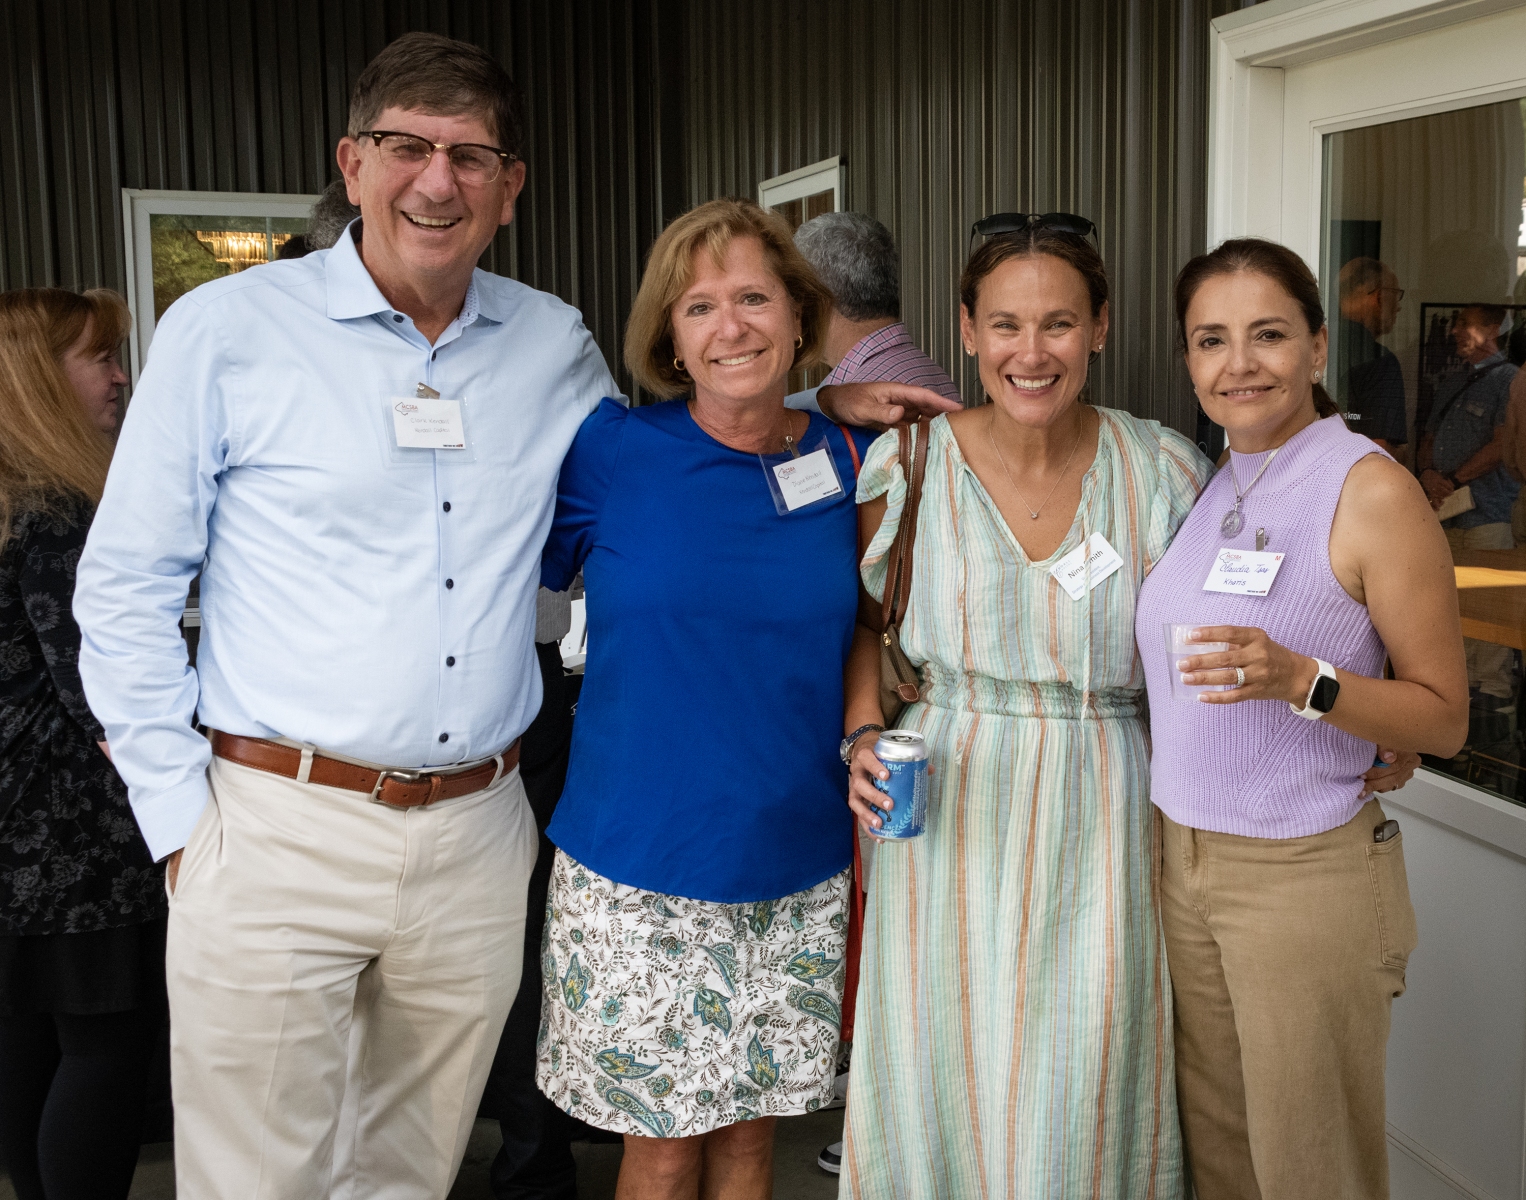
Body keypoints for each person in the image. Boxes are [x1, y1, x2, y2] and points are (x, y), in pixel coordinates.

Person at [73, 33, 618, 1199]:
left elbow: (662, 490)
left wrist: (823, 419)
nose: (438, 181)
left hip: (476, 833)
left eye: (472, 155)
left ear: (511, 188)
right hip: (270, 826)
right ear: (352, 161)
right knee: (255, 1179)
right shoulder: (226, 332)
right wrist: (180, 826)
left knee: (406, 1173)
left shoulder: (552, 344)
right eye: (407, 146)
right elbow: (122, 586)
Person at [534, 198, 954, 1200]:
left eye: (755, 298)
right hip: (640, 863)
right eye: (700, 306)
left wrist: (861, 729)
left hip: (793, 855)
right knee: (665, 1145)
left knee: (750, 1141)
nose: (732, 327)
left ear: (800, 319)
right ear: (669, 339)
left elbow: (863, 625)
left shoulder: (848, 458)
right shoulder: (609, 453)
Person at [838, 214, 1212, 1197]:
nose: (1029, 352)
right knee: (939, 1065)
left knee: (1087, 1077)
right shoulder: (906, 467)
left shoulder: (1164, 472)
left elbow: (1214, 642)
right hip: (947, 812)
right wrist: (862, 735)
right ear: (965, 331)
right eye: (1004, 325)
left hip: (1106, 807)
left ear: (1097, 328)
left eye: (1056, 324)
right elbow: (865, 627)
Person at [1136, 237, 1468, 1199]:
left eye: (1268, 334)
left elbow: (1444, 717)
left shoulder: (1369, 488)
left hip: (1301, 871)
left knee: (1312, 1164)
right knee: (1226, 1153)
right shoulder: (1216, 480)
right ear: (1190, 361)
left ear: (1319, 347)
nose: (1239, 363)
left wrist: (1309, 684)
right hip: (1180, 860)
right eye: (1211, 340)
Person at [783, 207, 961, 1179]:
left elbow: (876, 600)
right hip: (886, 708)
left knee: (890, 930)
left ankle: (884, 1125)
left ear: (812, 302)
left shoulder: (886, 413)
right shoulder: (884, 391)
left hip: (894, 711)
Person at [0, 287, 166, 1200]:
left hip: (11, 834)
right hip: (74, 839)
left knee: (22, 1040)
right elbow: (102, 691)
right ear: (37, 377)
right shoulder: (61, 508)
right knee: (104, 1044)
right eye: (99, 357)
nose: (119, 377)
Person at [1417, 303, 1520, 723]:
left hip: (1485, 512)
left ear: (1494, 328)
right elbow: (1428, 435)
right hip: (1444, 511)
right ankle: (1461, 691)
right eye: (1457, 323)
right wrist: (1426, 474)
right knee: (1448, 604)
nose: (1456, 330)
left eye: (1467, 323)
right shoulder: (1453, 381)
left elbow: (1502, 445)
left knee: (1489, 606)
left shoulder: (1509, 380)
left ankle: (1494, 693)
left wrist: (1454, 480)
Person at [788, 211, 961, 417]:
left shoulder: (862, 409)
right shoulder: (928, 370)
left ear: (818, 301)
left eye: (794, 293)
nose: (790, 307)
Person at [1334, 257, 1407, 453]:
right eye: (1395, 294)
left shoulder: (1314, 347)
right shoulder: (1380, 362)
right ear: (1380, 296)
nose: (1398, 306)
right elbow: (1381, 452)